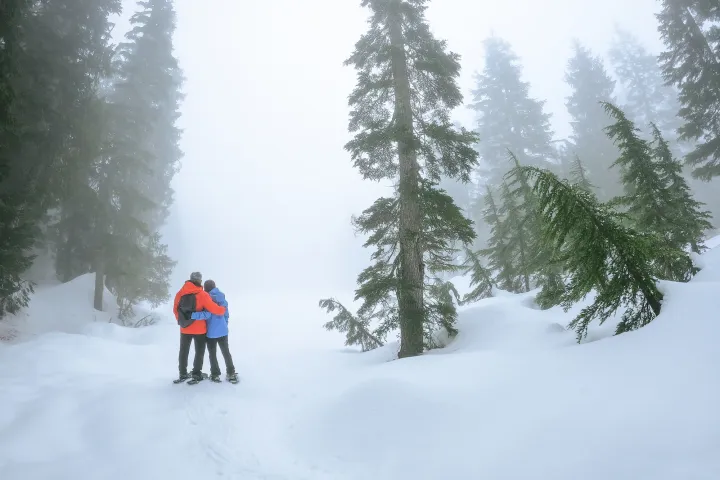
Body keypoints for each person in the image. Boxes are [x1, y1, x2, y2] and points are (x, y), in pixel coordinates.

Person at [172, 272, 226, 383]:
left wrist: (182, 321)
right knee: (199, 351)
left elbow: (175, 309)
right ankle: (196, 374)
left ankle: (182, 373)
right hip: (199, 329)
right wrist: (223, 309)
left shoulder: (180, 293)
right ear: (199, 281)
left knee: (183, 351)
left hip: (185, 328)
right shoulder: (202, 294)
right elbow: (214, 309)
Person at [191, 279, 238, 383]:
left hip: (211, 332)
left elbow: (207, 314)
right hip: (223, 330)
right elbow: (226, 313)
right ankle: (231, 372)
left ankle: (215, 374)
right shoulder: (222, 297)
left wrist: (192, 315)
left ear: (206, 288)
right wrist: (224, 324)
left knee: (212, 353)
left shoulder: (207, 298)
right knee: (226, 352)